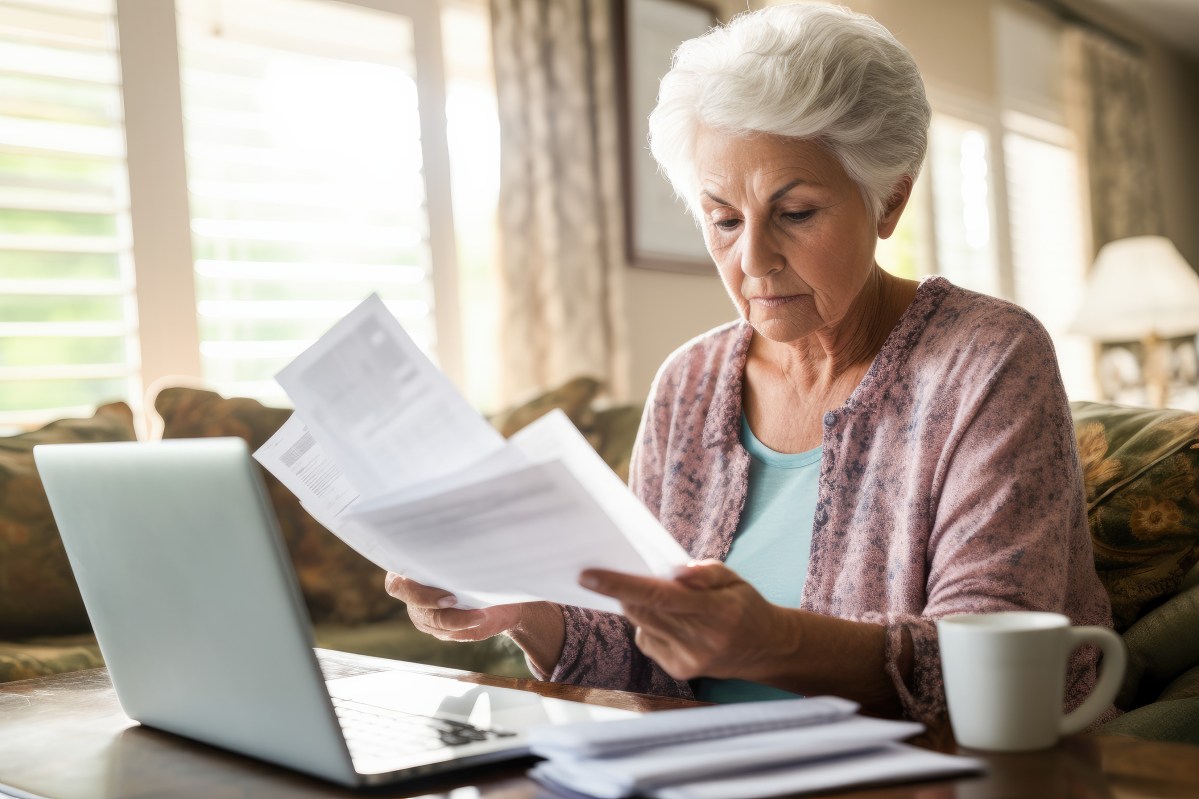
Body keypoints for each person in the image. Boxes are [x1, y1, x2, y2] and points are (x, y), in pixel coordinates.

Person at [385, 3, 1113, 725]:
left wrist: (772, 641)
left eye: (795, 213)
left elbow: (990, 667)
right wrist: (525, 608)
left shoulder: (986, 358)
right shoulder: (689, 383)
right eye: (723, 219)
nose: (753, 261)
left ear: (889, 202)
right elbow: (640, 659)